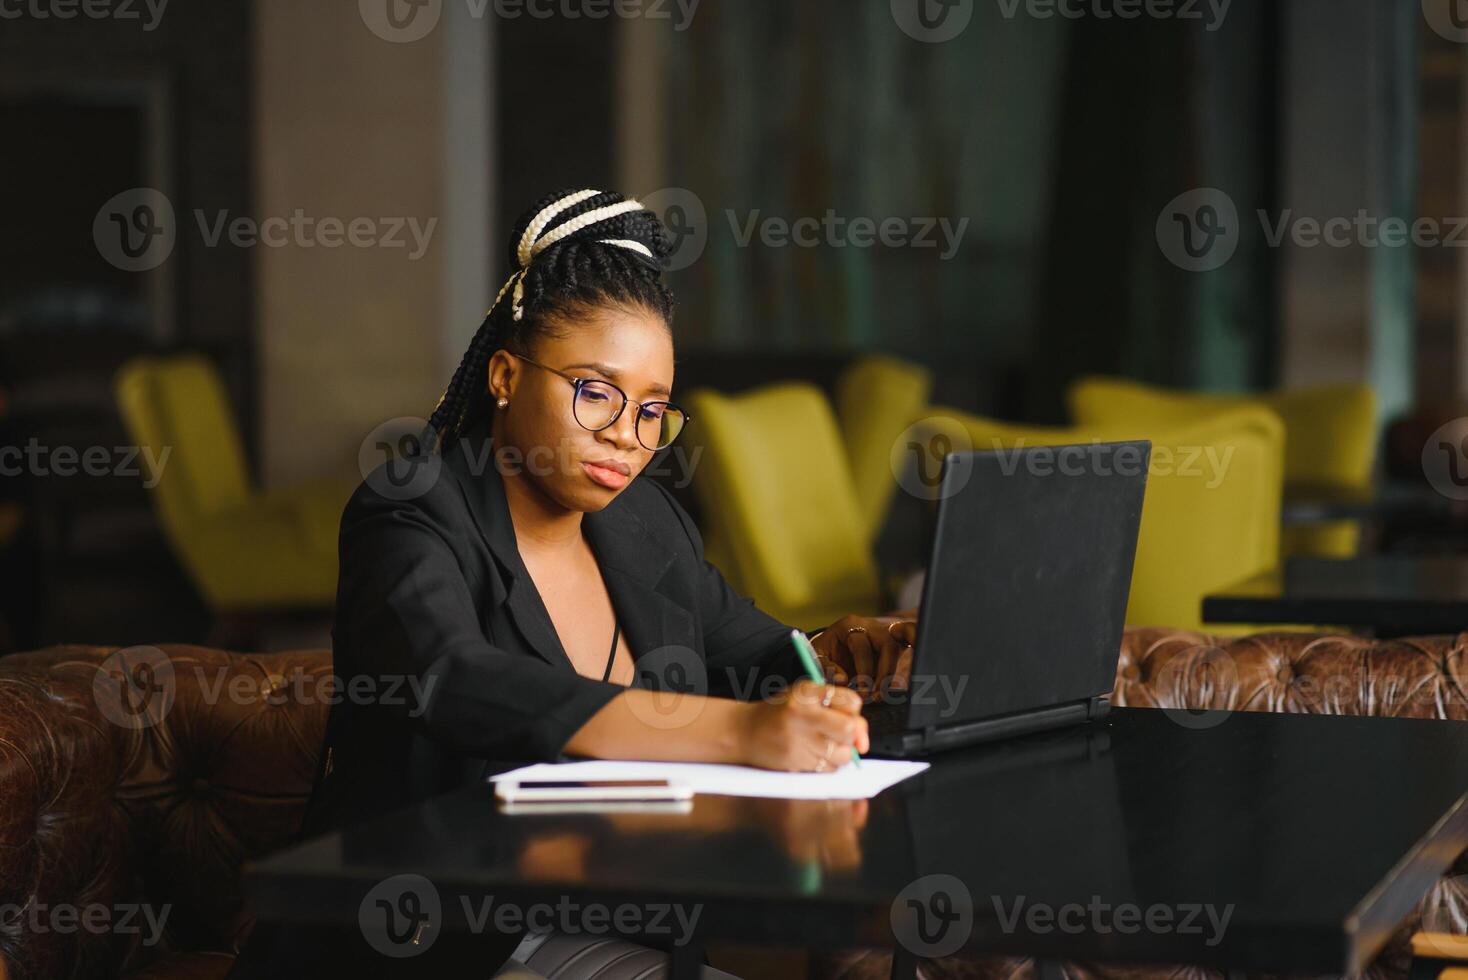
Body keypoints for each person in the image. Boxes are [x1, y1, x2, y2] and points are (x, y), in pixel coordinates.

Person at [229, 189, 916, 979]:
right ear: (504, 375)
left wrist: (849, 653)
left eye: (653, 410)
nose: (627, 434)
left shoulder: (644, 524)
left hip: (627, 911)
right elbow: (453, 680)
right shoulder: (413, 509)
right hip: (435, 938)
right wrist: (741, 733)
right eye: (596, 391)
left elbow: (757, 652)